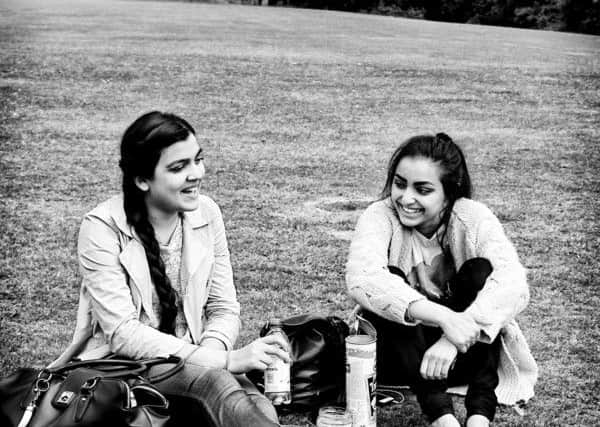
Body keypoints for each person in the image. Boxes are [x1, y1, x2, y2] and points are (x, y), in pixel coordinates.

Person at [52, 111, 290, 427]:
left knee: (259, 405)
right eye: (179, 167)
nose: (196, 174)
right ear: (142, 180)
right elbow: (124, 335)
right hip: (126, 368)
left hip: (196, 358)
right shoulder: (102, 227)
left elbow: (223, 307)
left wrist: (210, 354)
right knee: (219, 387)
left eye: (198, 160)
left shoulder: (207, 213)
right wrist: (223, 362)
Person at [345, 134, 538, 427]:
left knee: (481, 273)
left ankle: (479, 415)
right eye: (399, 184)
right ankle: (441, 416)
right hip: (397, 357)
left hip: (459, 355)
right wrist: (444, 317)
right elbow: (363, 277)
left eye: (422, 190)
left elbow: (513, 284)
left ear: (449, 193)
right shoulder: (379, 216)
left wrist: (453, 335)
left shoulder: (472, 218)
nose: (406, 198)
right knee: (392, 281)